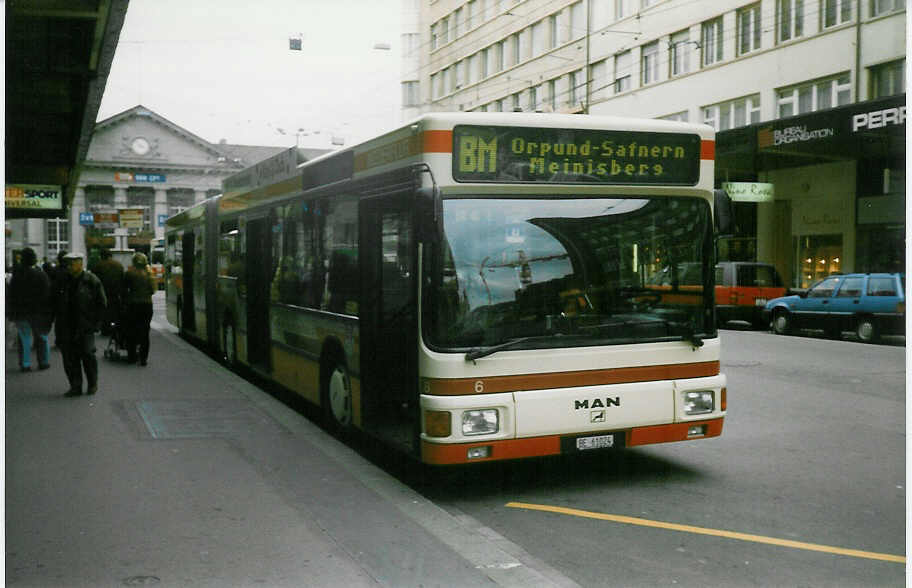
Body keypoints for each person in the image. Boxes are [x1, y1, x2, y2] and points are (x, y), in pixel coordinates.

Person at [53, 252, 107, 397]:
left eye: (72, 264)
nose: (69, 267)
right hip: (66, 325)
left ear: (80, 264)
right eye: (67, 264)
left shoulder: (91, 280)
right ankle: (75, 386)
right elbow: (54, 301)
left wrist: (96, 323)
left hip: (85, 325)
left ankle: (92, 383)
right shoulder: (62, 281)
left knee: (88, 355)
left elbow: (102, 303)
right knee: (69, 358)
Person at [7, 247, 52, 371]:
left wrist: (11, 312)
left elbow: (11, 295)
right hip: (39, 311)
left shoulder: (17, 276)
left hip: (21, 311)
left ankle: (25, 364)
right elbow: (47, 294)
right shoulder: (41, 275)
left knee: (24, 338)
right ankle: (44, 362)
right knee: (42, 337)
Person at [122, 252, 156, 366]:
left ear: (134, 262)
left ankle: (131, 356)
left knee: (131, 331)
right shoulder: (150, 274)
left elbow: (124, 289)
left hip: (133, 305)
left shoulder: (129, 273)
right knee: (145, 332)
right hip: (147, 305)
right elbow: (153, 291)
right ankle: (143, 358)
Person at [90, 248, 125, 335]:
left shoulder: (97, 266)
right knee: (115, 311)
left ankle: (105, 329)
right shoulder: (119, 265)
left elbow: (94, 281)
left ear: (101, 256)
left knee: (104, 312)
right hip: (116, 293)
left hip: (103, 292)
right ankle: (115, 329)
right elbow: (122, 280)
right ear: (110, 256)